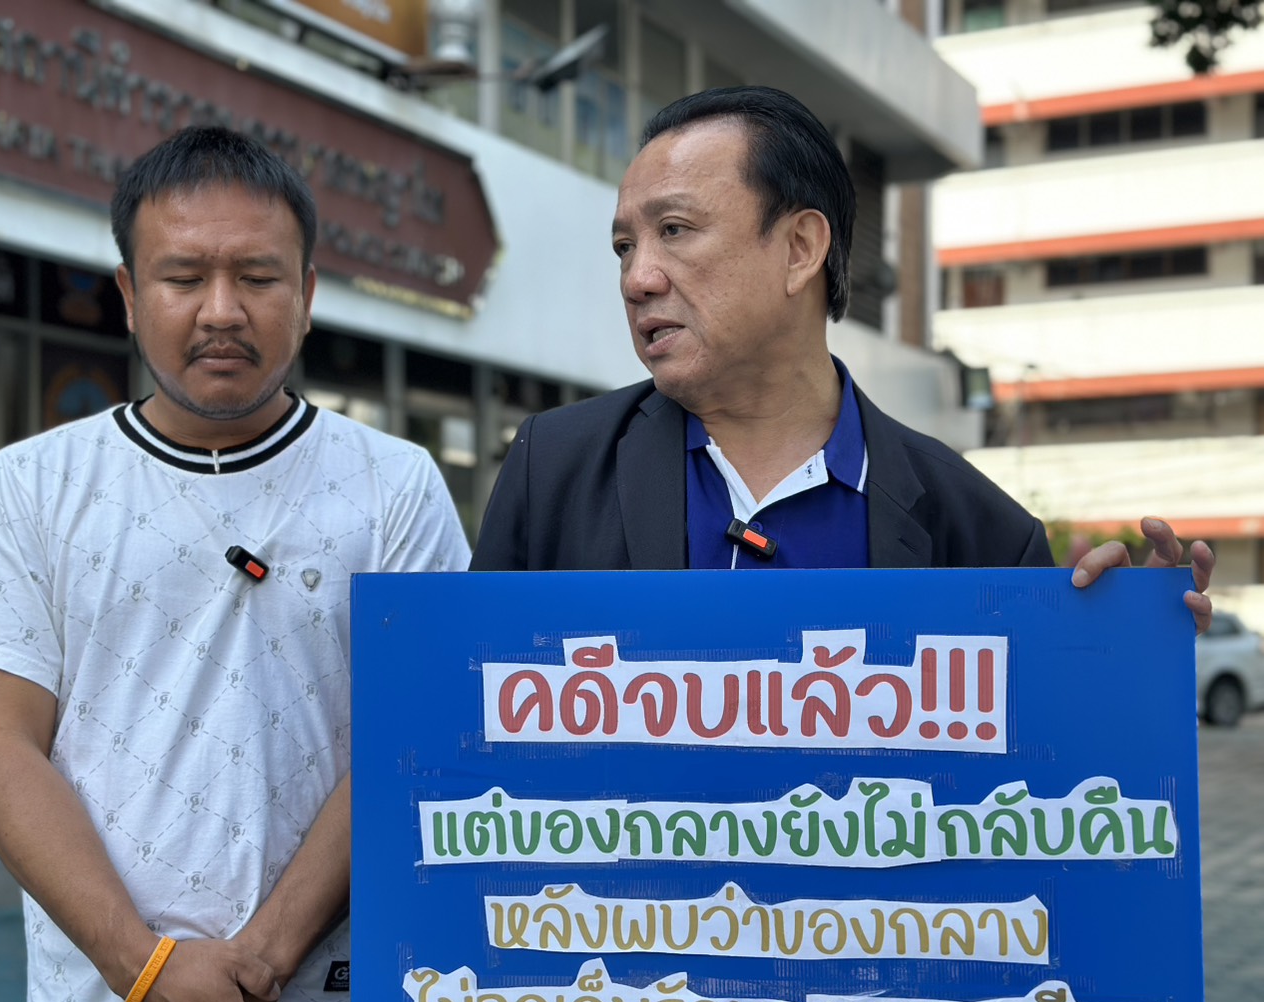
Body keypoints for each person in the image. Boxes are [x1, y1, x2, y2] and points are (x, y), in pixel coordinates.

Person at [0, 126, 470, 1002]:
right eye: (183, 277)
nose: (221, 310)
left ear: (307, 293)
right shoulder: (30, 486)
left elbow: (413, 739)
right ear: (129, 295)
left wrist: (256, 967)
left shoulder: (395, 484)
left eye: (257, 276)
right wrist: (148, 972)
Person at [470, 86, 1213, 628]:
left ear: (800, 248)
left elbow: (1028, 767)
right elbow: (464, 723)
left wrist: (1116, 655)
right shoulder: (554, 467)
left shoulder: (979, 531)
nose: (638, 278)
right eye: (624, 246)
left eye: (674, 230)